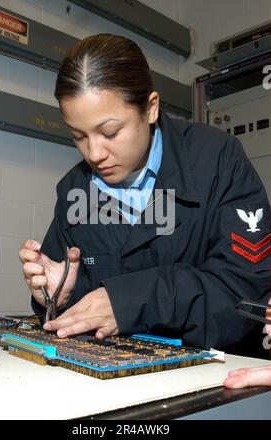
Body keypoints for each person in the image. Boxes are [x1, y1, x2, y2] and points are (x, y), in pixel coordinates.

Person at [19, 33, 271, 358]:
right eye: (78, 136)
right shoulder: (74, 191)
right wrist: (59, 297)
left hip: (219, 372)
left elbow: (245, 294)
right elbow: (71, 317)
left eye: (110, 133)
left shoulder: (216, 159)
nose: (94, 153)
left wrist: (130, 301)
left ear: (150, 109)